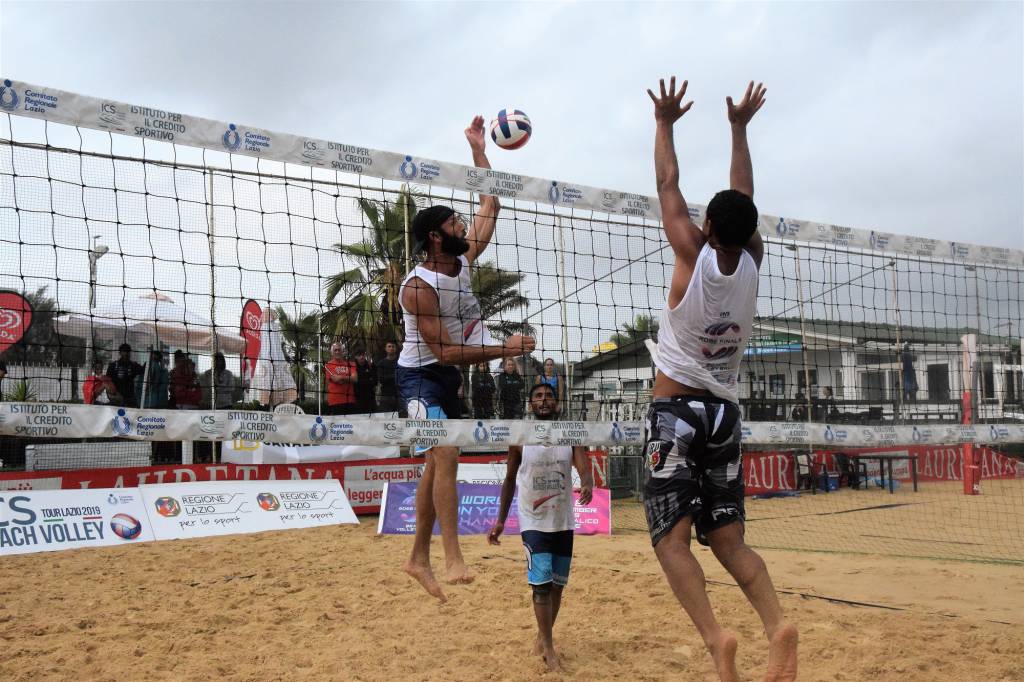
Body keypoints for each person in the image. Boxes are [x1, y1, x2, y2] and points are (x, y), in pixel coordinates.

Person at [643, 77, 797, 682]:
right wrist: (738, 129)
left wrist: (664, 122)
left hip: (675, 411)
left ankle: (715, 638)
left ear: (707, 227)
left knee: (671, 542)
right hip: (724, 416)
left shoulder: (690, 253)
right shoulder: (754, 263)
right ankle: (775, 624)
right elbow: (743, 197)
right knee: (729, 542)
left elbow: (666, 185)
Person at [396, 114, 535, 600]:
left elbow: (490, 202)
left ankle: (417, 558)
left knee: (438, 463)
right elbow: (445, 350)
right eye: (454, 222)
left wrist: (479, 149)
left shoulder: (462, 260)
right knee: (448, 452)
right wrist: (505, 349)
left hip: (449, 376)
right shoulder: (418, 287)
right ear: (436, 236)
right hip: (419, 377)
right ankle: (451, 555)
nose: (463, 225)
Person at [488, 383, 594, 672]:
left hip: (562, 518)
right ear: (531, 403)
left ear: (556, 403)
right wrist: (500, 520)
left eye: (548, 396)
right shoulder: (520, 437)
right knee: (542, 584)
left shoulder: (569, 433)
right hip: (532, 519)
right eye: (538, 397)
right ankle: (548, 647)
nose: (544, 401)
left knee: (558, 585)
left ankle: (543, 635)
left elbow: (583, 466)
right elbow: (509, 480)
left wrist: (587, 482)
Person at [105, 343, 144, 407]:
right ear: (120, 353)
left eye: (127, 351)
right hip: (116, 398)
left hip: (129, 398)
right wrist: (112, 395)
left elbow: (143, 370)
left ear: (130, 353)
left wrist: (148, 362)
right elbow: (107, 382)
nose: (126, 353)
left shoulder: (133, 365)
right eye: (124, 351)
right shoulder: (113, 365)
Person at [324, 341, 358, 415]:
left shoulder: (351, 364)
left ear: (343, 352)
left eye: (339, 350)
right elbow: (336, 380)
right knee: (337, 426)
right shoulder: (328, 365)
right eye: (335, 350)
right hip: (335, 401)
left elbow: (355, 379)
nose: (337, 352)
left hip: (350, 401)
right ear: (332, 353)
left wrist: (341, 377)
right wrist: (348, 378)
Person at [376, 341, 401, 414]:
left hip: (400, 395)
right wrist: (395, 376)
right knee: (388, 419)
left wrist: (389, 377)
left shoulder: (401, 361)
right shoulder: (381, 363)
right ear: (385, 349)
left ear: (396, 348)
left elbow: (403, 376)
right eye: (389, 346)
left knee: (403, 418)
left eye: (393, 346)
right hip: (386, 396)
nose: (391, 348)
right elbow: (381, 379)